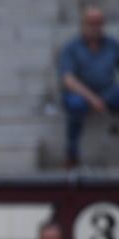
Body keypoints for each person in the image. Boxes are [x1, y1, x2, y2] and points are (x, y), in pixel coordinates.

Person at [59, 5, 119, 169]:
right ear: (83, 24)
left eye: (99, 22)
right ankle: (72, 155)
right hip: (81, 94)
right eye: (91, 22)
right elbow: (68, 80)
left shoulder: (112, 44)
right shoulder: (71, 48)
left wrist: (104, 98)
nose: (95, 27)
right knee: (75, 104)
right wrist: (92, 99)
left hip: (107, 92)